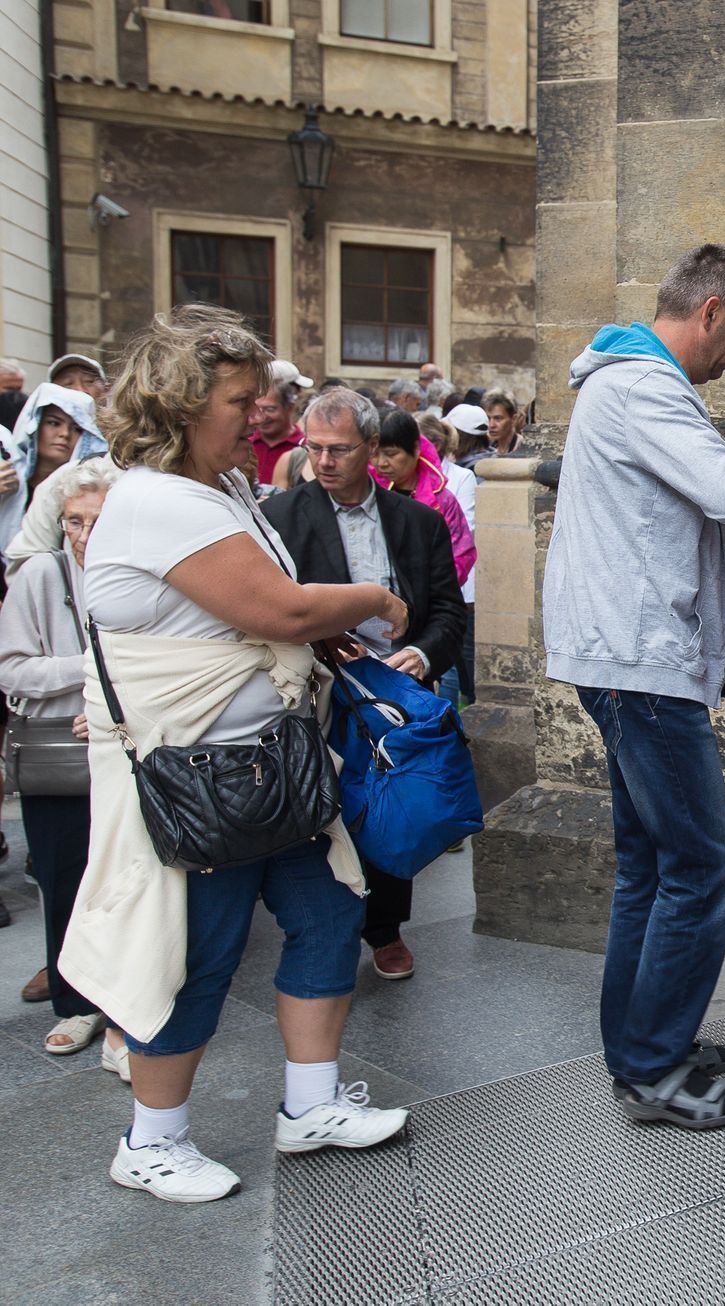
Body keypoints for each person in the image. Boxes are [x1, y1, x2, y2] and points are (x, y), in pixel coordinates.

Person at [67, 304, 412, 1205]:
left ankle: (312, 1106)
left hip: (266, 768)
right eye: (237, 398)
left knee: (330, 917)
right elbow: (282, 613)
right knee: (196, 956)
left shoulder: (215, 491)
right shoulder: (155, 502)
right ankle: (151, 1143)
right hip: (199, 778)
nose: (258, 414)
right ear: (180, 405)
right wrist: (373, 595)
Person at [542, 243, 725, 1129]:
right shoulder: (644, 387)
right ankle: (654, 1070)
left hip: (623, 657)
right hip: (639, 662)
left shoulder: (626, 383)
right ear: (713, 309)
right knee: (702, 863)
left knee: (650, 866)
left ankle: (645, 1042)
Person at [264, 389, 467, 982]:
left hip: (393, 696)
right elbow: (269, 612)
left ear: (373, 449)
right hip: (315, 690)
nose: (323, 461)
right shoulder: (281, 518)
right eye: (314, 448)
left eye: (339, 450)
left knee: (390, 810)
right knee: (321, 808)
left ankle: (385, 929)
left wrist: (421, 655)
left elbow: (451, 614)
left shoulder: (418, 521)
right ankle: (321, 932)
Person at [0, 459, 127, 1075]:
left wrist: (109, 694)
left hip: (124, 745)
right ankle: (75, 1002)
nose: (81, 534)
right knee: (61, 873)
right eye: (72, 522)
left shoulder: (134, 574)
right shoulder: (38, 577)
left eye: (95, 521)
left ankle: (126, 1000)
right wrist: (89, 675)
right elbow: (12, 669)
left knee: (129, 875)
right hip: (59, 755)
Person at [372, 410, 475, 593]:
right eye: (374, 454)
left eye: (391, 454)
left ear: (416, 448)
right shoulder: (367, 496)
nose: (381, 463)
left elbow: (461, 555)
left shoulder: (442, 501)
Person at [2, 382, 107, 548]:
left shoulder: (91, 490)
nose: (64, 434)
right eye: (54, 423)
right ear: (34, 425)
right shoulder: (6, 477)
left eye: (77, 429)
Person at [423, 406, 481, 704]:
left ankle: (456, 711)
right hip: (423, 578)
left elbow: (464, 528)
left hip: (453, 574)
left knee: (456, 653)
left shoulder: (459, 477)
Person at [246, 361, 311, 489]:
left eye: (270, 409)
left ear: (290, 407)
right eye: (258, 409)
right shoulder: (246, 444)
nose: (262, 417)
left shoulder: (303, 448)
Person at [477, 388, 527, 462]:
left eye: (498, 418)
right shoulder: (486, 448)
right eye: (488, 418)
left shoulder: (525, 449)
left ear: (513, 419)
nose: (491, 425)